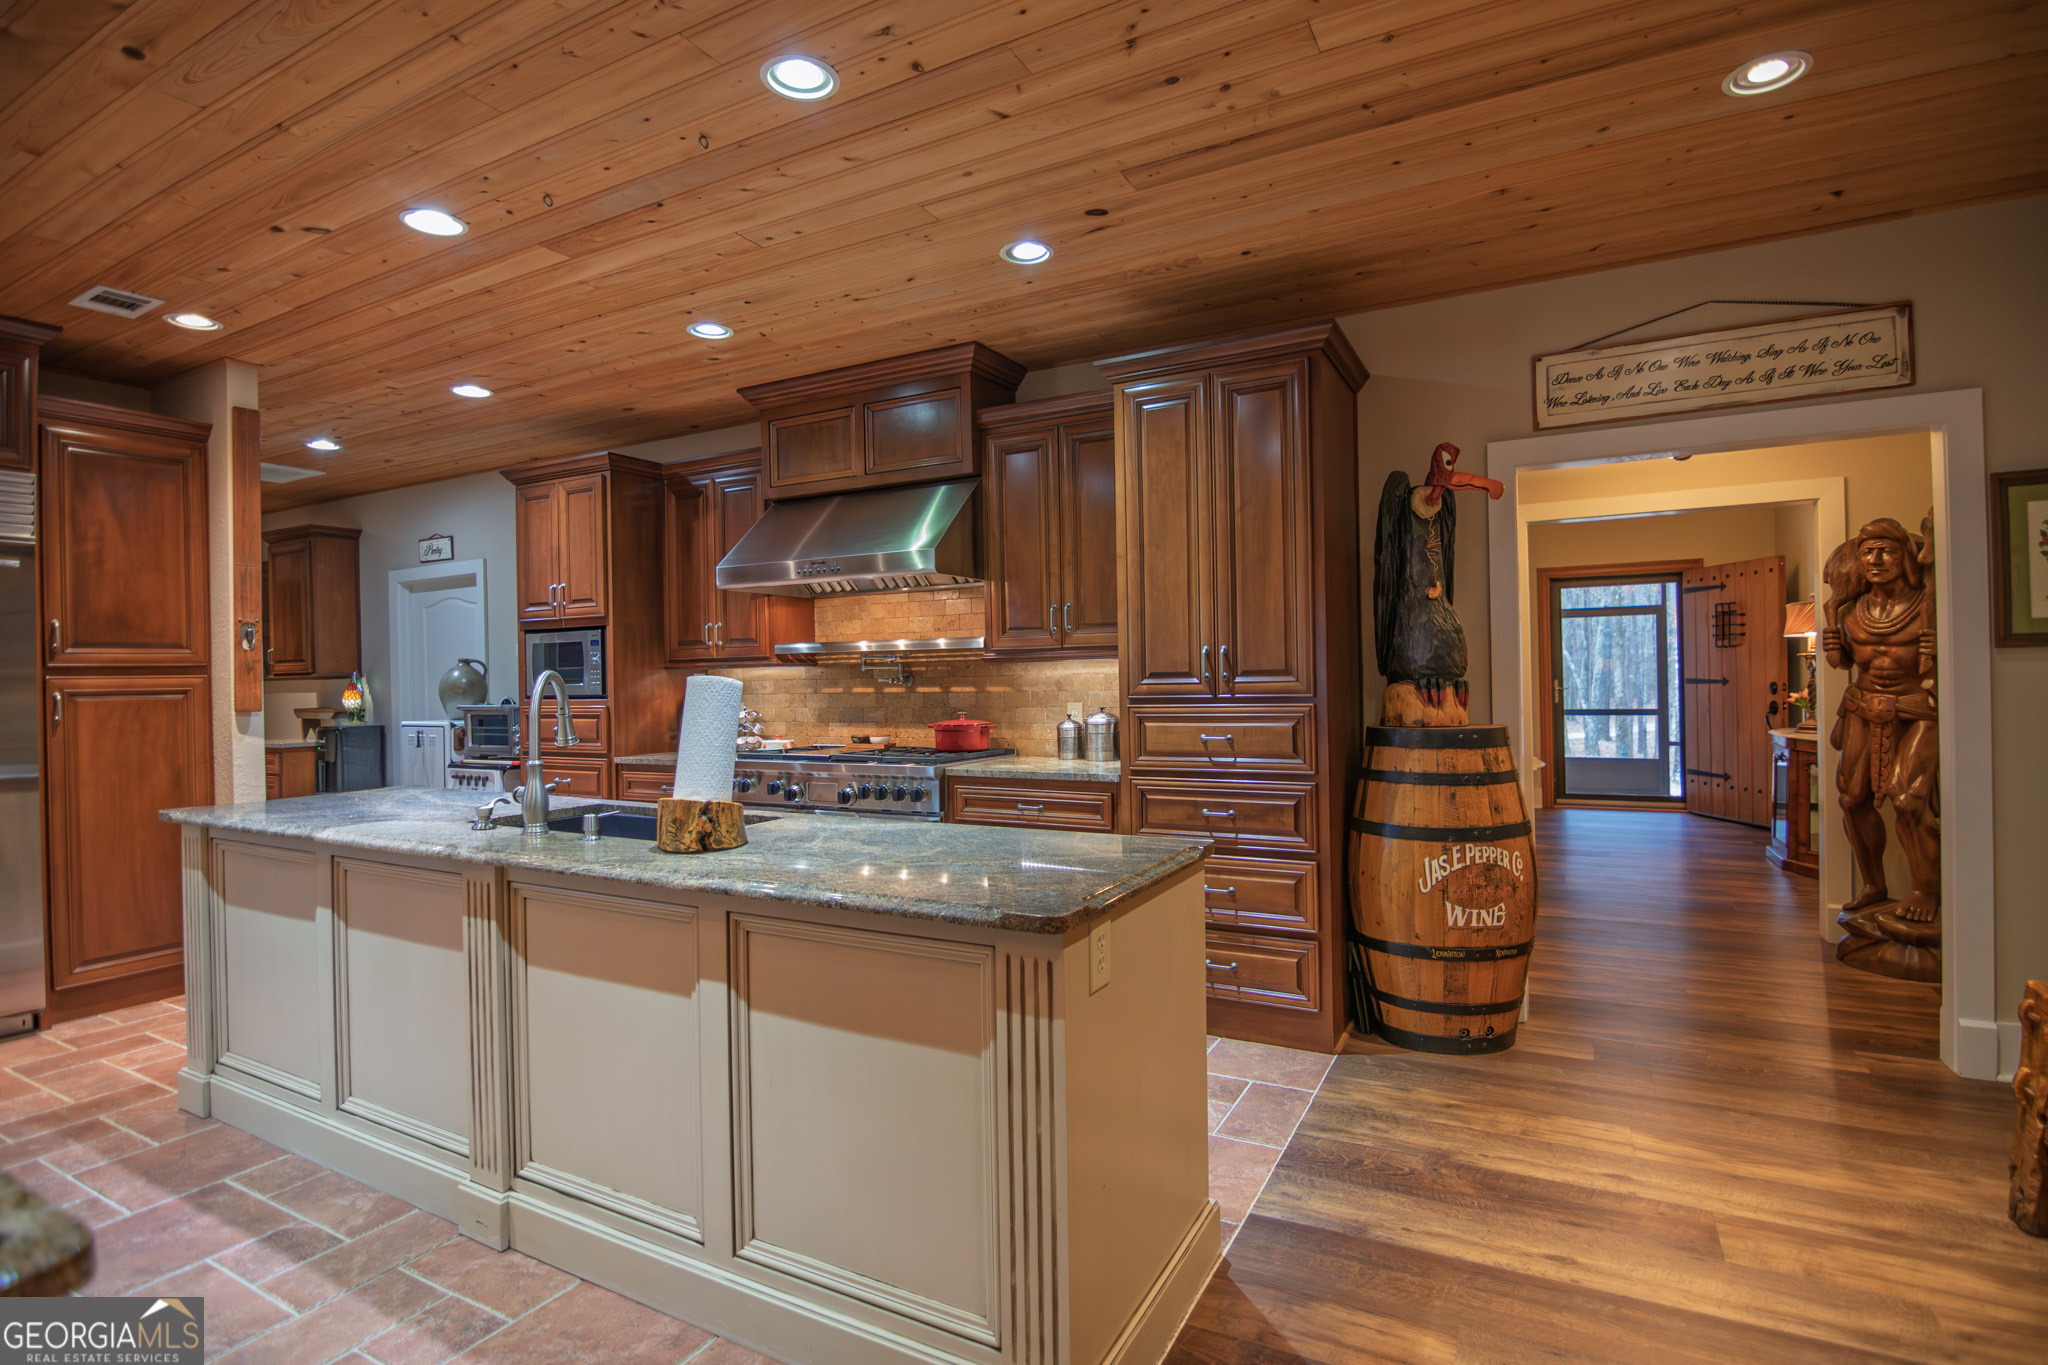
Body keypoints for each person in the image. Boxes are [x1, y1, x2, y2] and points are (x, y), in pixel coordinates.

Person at [1822, 517, 1938, 926]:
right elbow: (1843, 663)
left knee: (1908, 800)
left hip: (1917, 709)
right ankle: (1874, 884)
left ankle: (1926, 891)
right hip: (1861, 706)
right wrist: (1832, 639)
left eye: (1885, 550)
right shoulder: (1852, 609)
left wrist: (1936, 645)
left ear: (1905, 555)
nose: (1874, 559)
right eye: (1867, 551)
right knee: (1852, 799)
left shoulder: (1929, 603)